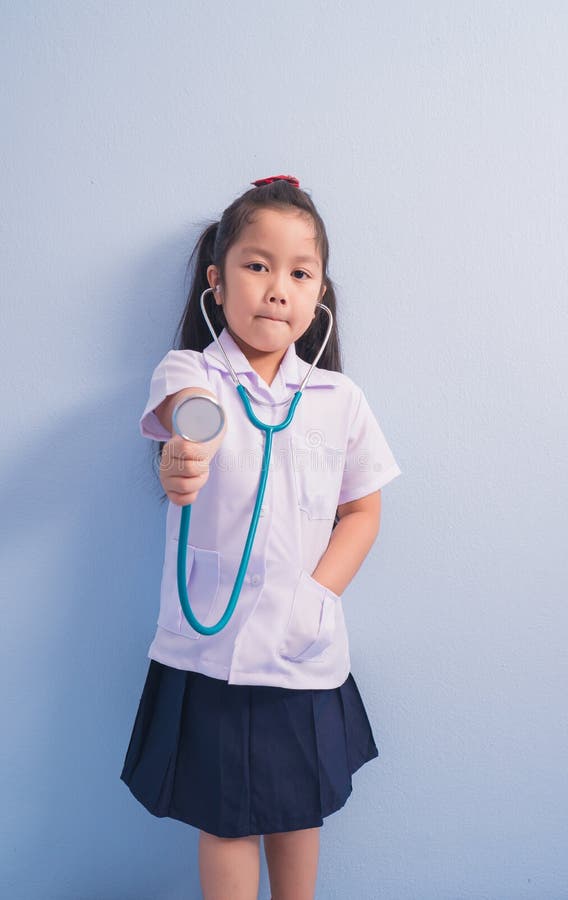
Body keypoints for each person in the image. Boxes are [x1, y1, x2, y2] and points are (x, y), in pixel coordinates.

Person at [120, 174, 402, 900]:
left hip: (301, 646)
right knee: (226, 822)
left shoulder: (340, 401)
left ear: (319, 298)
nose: (278, 288)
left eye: (299, 273)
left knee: (297, 813)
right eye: (256, 265)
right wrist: (184, 460)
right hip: (210, 651)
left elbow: (362, 513)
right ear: (216, 282)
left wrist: (317, 595)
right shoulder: (192, 374)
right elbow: (188, 424)